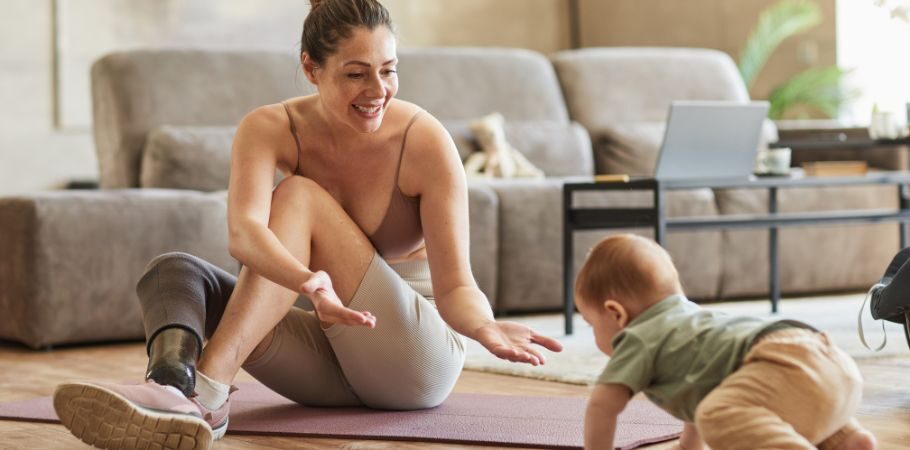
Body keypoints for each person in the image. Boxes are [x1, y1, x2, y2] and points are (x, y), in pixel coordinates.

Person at [52, 1, 562, 449]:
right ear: (311, 68)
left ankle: (205, 391)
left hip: (412, 360)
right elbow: (243, 234)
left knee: (297, 194)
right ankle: (172, 389)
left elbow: (456, 286)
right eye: (356, 73)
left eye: (389, 70)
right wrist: (306, 282)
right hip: (332, 354)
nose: (377, 90)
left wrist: (484, 326)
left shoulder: (423, 141)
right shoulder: (269, 127)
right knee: (175, 274)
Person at [575, 234, 876, 450]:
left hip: (780, 362)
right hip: (830, 362)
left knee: (716, 414)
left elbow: (602, 407)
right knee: (730, 408)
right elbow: (699, 396)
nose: (594, 335)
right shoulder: (692, 323)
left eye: (591, 325)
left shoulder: (638, 336)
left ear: (616, 314)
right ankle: (850, 442)